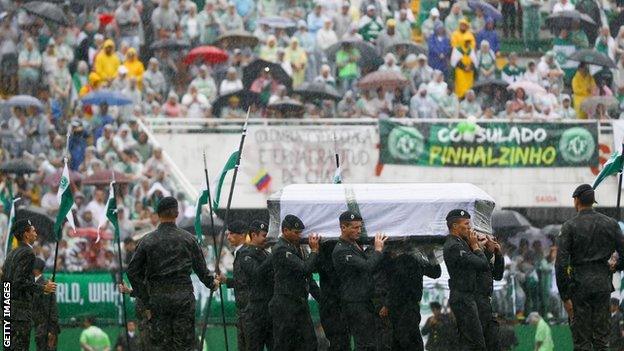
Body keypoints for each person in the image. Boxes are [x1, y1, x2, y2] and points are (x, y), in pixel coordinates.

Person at [127, 196, 220, 350]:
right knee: (183, 344)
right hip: (183, 299)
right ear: (177, 213)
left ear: (158, 214)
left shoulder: (147, 241)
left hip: (158, 300)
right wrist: (212, 283)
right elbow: (202, 270)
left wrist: (145, 297)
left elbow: (132, 272)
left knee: (161, 345)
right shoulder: (188, 239)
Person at [556, 184, 624, 350]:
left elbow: (561, 264)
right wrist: (616, 266)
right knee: (602, 340)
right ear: (593, 201)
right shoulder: (611, 224)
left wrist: (565, 297)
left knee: (582, 341)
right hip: (602, 284)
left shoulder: (569, 227)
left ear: (576, 200)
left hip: (579, 287)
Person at [332, 211, 388, 350]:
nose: (359, 231)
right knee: (364, 343)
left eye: (360, 227)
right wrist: (378, 250)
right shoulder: (341, 250)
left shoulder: (354, 245)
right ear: (343, 228)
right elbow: (367, 266)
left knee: (371, 341)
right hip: (354, 303)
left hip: (363, 301)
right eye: (354, 227)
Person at [2, 219, 56, 350]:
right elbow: (19, 281)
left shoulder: (10, 254)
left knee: (8, 348)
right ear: (26, 234)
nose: (35, 233)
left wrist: (4, 308)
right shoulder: (28, 253)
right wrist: (43, 287)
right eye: (32, 230)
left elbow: (5, 283)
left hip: (8, 312)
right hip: (20, 313)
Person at [269, 215, 320, 350]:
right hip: (285, 304)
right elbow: (305, 269)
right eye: (296, 232)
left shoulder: (297, 247)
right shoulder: (281, 249)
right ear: (285, 230)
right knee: (285, 344)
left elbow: (308, 275)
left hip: (298, 302)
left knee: (309, 343)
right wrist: (314, 251)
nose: (299, 236)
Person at [443, 209, 490, 350]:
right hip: (462, 297)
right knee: (475, 342)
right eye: (466, 223)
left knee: (470, 341)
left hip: (467, 296)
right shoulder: (454, 246)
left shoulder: (461, 243)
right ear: (455, 226)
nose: (469, 227)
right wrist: (475, 246)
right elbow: (482, 264)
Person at [378, 247, 441, 350]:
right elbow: (436, 272)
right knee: (406, 339)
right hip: (404, 306)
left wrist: (430, 253)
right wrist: (430, 253)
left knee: (404, 339)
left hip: (404, 306)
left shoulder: (410, 259)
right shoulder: (413, 258)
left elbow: (436, 273)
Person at [237, 220, 273, 351]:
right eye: (263, 235)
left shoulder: (266, 254)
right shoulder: (245, 253)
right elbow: (256, 273)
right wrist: (272, 257)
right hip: (255, 311)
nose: (266, 239)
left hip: (269, 309)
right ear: (254, 235)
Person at [221, 220, 250, 350]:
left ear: (242, 235)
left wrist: (228, 281)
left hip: (248, 309)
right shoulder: (239, 252)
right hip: (242, 308)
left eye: (232, 234)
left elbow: (247, 281)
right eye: (228, 233)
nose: (228, 237)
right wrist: (226, 280)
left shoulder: (246, 253)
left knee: (249, 345)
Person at [318, 239, 349, 351]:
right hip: (333, 304)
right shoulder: (333, 257)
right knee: (339, 342)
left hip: (333, 303)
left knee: (340, 341)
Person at [475, 234, 504, 351]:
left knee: (493, 339)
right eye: (483, 240)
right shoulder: (473, 256)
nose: (487, 243)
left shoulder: (487, 257)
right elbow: (479, 267)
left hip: (486, 303)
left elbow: (498, 275)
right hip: (476, 304)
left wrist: (498, 255)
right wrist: (488, 252)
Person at [32, 257, 60, 351]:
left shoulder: (44, 285)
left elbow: (51, 309)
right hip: (40, 328)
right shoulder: (35, 284)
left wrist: (52, 330)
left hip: (46, 329)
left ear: (34, 269)